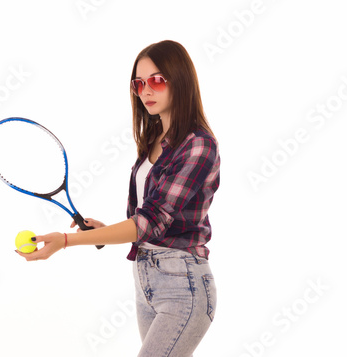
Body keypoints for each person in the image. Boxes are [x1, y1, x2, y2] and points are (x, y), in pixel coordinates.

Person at [16, 39, 220, 357]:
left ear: (180, 80)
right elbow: (147, 220)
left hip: (184, 286)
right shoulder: (154, 140)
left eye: (156, 80)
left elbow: (149, 222)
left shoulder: (199, 146)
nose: (145, 91)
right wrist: (99, 231)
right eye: (139, 83)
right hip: (145, 280)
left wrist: (68, 240)